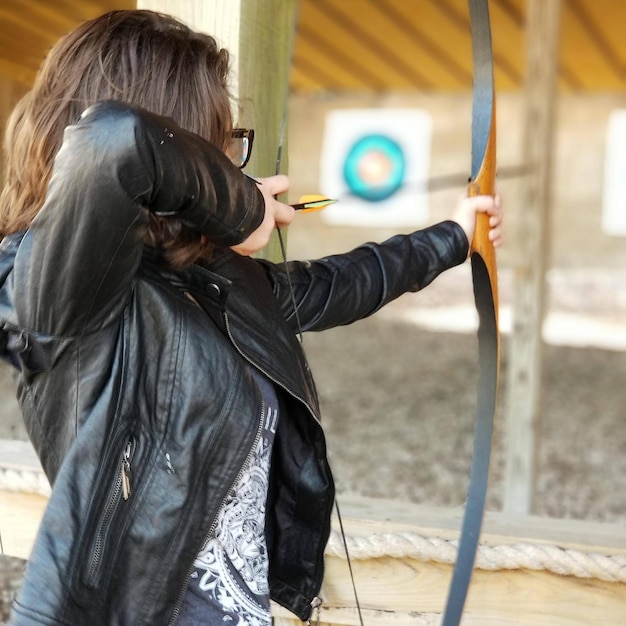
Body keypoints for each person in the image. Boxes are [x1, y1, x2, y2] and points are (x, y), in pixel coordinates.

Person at [0, 9, 502, 626]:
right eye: (220, 141)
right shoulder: (57, 290)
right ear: (183, 146)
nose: (232, 158)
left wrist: (453, 235)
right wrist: (238, 209)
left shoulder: (207, 278)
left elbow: (335, 285)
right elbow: (113, 140)